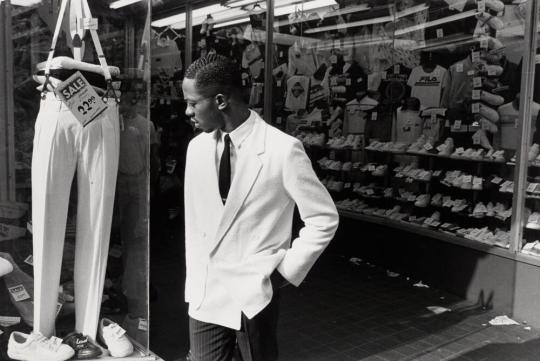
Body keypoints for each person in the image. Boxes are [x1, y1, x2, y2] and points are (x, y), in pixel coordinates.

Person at [182, 53, 339, 361]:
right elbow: (195, 221)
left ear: (221, 100)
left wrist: (284, 272)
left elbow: (323, 218)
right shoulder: (196, 148)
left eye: (192, 102)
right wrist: (195, 278)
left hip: (253, 291)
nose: (187, 111)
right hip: (205, 292)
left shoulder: (282, 149)